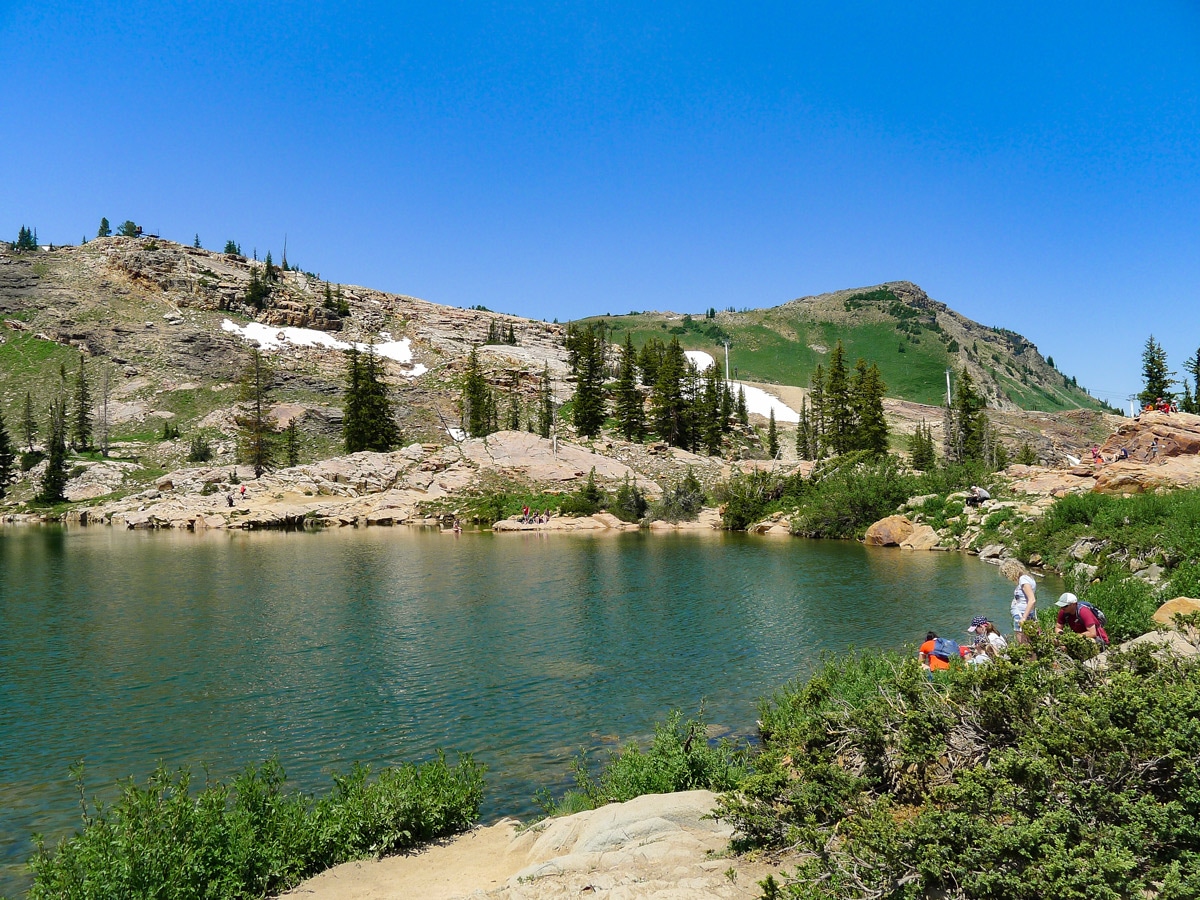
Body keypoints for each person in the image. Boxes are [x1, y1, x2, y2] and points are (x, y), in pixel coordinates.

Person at [1006, 563, 1037, 641]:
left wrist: (1023, 618)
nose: (1007, 576)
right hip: (1026, 613)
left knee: (1022, 642)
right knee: (1030, 640)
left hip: (1021, 614)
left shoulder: (1023, 579)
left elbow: (1032, 599)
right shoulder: (1028, 578)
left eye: (1006, 573)